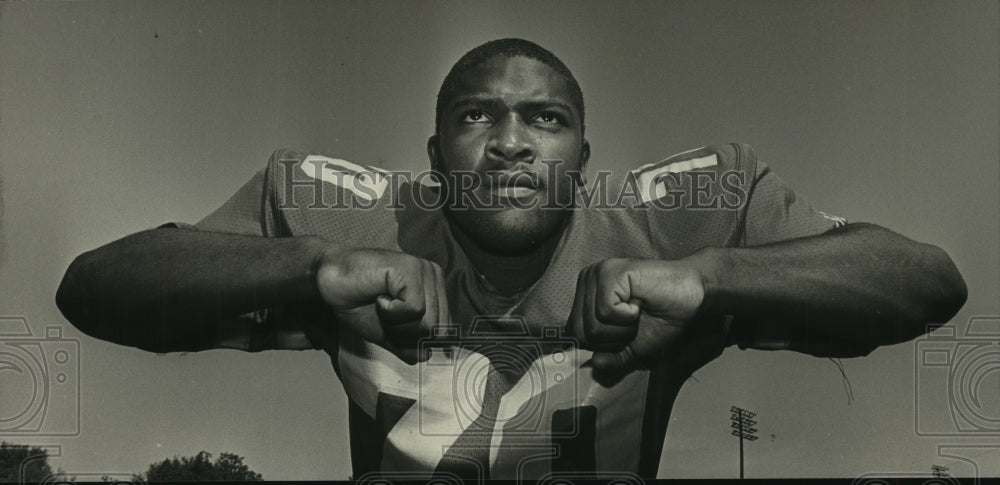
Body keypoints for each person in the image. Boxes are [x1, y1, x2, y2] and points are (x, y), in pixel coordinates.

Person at [55, 38, 967, 480]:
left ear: (583, 159)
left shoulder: (679, 219)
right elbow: (97, 287)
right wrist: (308, 266)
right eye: (476, 115)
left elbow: (923, 280)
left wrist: (712, 278)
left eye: (546, 119)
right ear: (433, 155)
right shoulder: (349, 219)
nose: (510, 143)